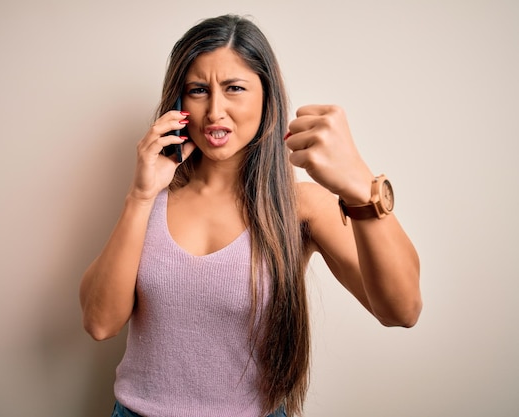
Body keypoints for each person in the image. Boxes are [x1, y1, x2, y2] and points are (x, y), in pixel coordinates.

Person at [79, 14, 421, 417]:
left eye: (234, 88)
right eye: (198, 90)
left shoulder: (298, 205)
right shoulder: (152, 200)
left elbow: (403, 310)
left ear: (266, 98)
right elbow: (100, 323)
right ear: (178, 102)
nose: (215, 110)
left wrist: (360, 183)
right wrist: (139, 196)